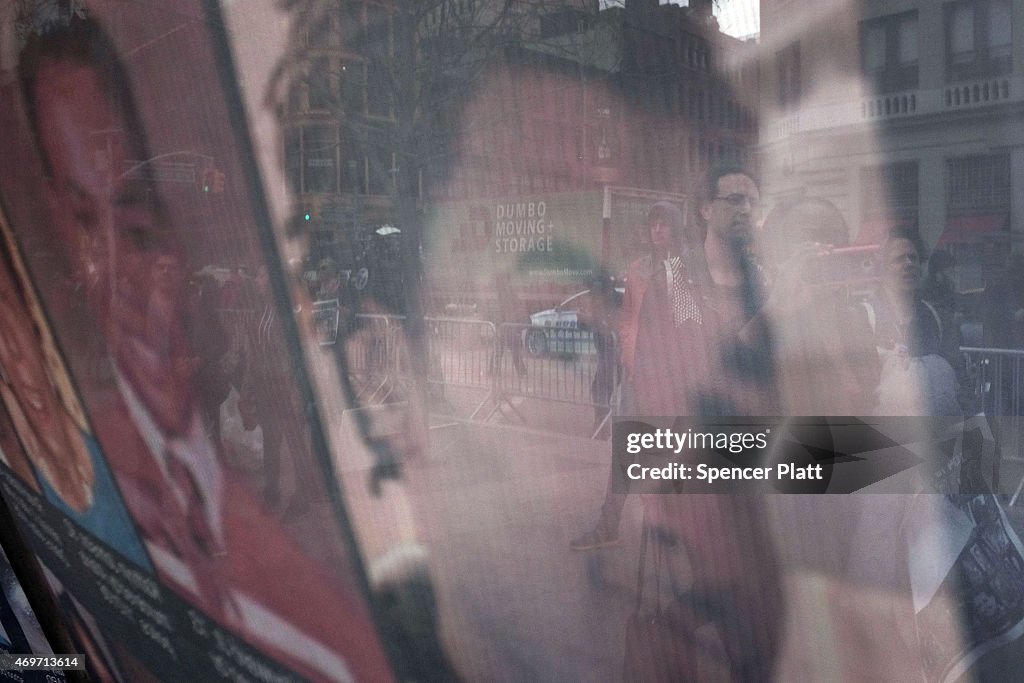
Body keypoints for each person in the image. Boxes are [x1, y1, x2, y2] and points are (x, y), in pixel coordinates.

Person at [17, 14, 392, 681]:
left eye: (135, 223)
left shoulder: (317, 543)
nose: (117, 281)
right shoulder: (88, 464)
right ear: (52, 213)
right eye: (81, 221)